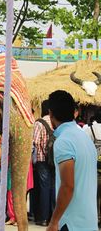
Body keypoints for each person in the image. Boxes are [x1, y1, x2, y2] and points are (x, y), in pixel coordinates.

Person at [46, 90, 98, 231]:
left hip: (71, 224)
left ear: (51, 114)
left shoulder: (64, 141)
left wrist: (54, 221)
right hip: (89, 222)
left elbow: (68, 186)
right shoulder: (85, 138)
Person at [32, 100, 55, 226]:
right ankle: (52, 217)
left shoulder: (39, 123)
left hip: (42, 160)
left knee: (44, 188)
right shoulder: (55, 122)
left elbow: (34, 142)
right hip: (53, 159)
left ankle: (43, 218)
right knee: (53, 187)